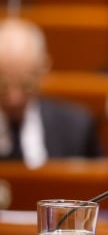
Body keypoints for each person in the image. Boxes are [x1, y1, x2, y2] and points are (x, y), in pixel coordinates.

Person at [0, 18, 102, 168]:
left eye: (26, 85)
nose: (14, 98)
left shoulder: (76, 127)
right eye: (3, 86)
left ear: (43, 69)